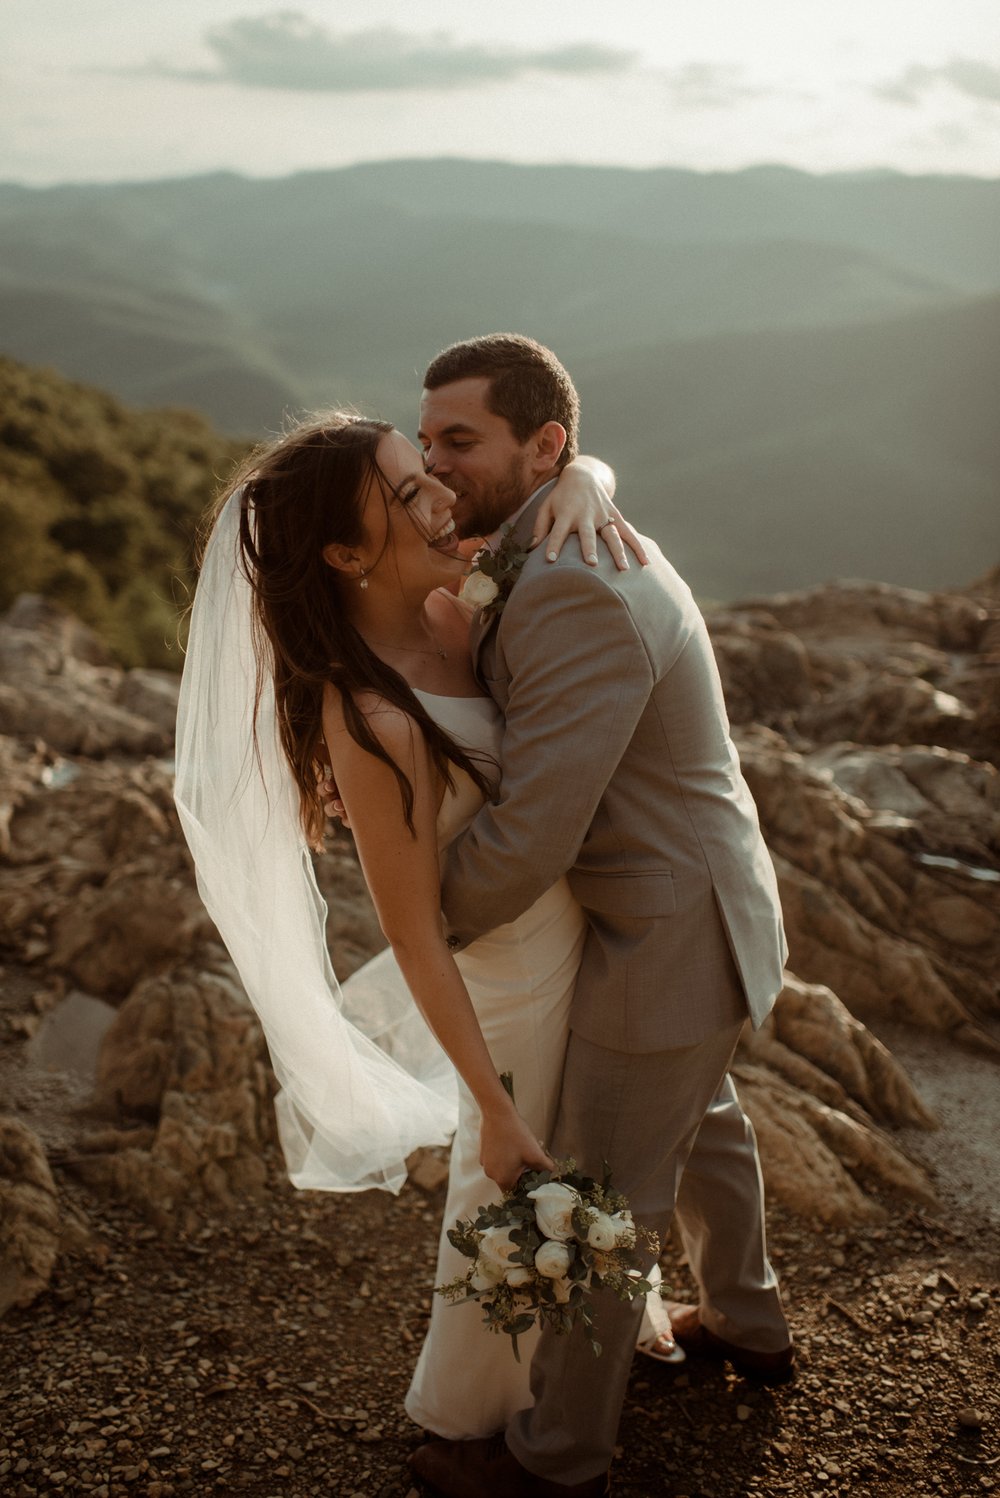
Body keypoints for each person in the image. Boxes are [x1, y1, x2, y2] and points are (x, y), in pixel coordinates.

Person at [173, 408, 666, 1448]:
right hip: (514, 987)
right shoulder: (377, 722)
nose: (441, 496)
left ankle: (572, 1369)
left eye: (425, 474)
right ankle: (468, 1422)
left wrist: (586, 482)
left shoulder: (456, 609)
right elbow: (411, 934)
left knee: (576, 1181)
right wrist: (486, 1103)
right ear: (347, 553)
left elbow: (560, 472)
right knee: (511, 1190)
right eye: (407, 493)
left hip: (579, 950)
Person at [406, 334, 792, 1498]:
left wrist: (422, 928)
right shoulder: (566, 524)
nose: (434, 465)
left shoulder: (568, 579)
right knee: (706, 1119)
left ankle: (555, 1456)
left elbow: (534, 833)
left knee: (600, 1197)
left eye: (458, 441)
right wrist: (592, 472)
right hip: (712, 908)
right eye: (425, 442)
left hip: (659, 932)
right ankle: (750, 1323)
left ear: (545, 447)